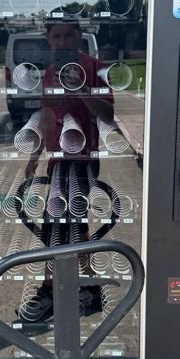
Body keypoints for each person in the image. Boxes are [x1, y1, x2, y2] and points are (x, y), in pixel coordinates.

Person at [19, 18, 116, 325]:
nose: (62, 42)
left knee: (58, 223)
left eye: (67, 36)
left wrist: (81, 87)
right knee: (70, 224)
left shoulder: (96, 67)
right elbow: (47, 114)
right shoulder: (49, 72)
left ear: (79, 37)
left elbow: (108, 114)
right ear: (49, 39)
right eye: (56, 36)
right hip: (57, 160)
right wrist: (35, 155)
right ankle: (88, 288)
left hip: (84, 158)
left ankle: (53, 291)